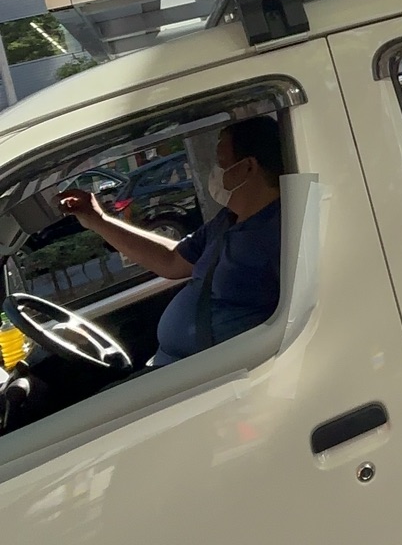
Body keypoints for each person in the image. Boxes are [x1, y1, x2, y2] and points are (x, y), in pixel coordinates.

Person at [59, 115, 283, 369]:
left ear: (247, 167)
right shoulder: (227, 220)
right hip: (170, 366)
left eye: (221, 162)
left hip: (214, 379)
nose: (215, 172)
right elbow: (172, 260)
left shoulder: (281, 232)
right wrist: (98, 220)